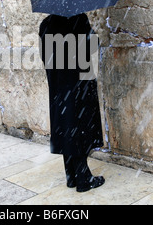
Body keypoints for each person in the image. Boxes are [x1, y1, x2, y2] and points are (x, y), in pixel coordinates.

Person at [39, 13, 105, 192]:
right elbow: (91, 48)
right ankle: (84, 179)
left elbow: (45, 57)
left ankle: (71, 176)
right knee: (79, 129)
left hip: (58, 87)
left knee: (66, 128)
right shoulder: (78, 19)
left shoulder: (46, 24)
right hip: (78, 84)